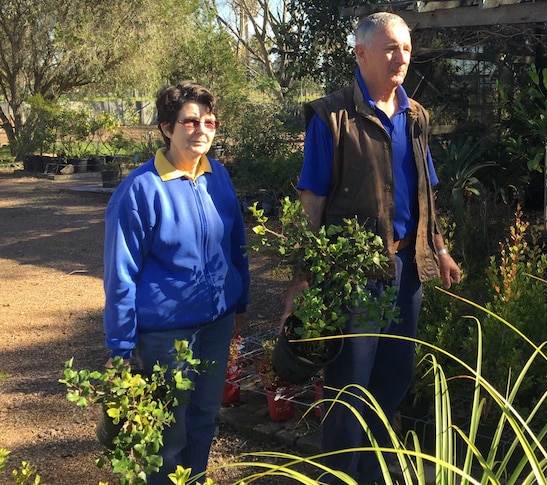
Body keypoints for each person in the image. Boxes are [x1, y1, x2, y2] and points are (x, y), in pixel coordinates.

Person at [282, 11, 461, 484]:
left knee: (393, 379)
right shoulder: (331, 117)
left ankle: (375, 475)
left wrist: (438, 249)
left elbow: (426, 191)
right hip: (355, 276)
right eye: (389, 48)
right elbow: (312, 200)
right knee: (349, 388)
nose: (400, 57)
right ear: (360, 53)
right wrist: (302, 278)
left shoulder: (415, 115)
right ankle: (339, 477)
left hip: (407, 269)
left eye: (405, 48)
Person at [102, 81, 250, 484]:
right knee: (169, 430)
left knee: (204, 417)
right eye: (190, 121)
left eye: (209, 121)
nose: (202, 128)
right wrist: (120, 346)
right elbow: (121, 274)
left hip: (217, 325)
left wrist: (241, 302)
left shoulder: (217, 176)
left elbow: (236, 243)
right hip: (168, 334)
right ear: (167, 127)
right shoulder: (140, 190)